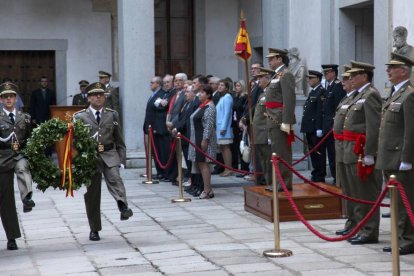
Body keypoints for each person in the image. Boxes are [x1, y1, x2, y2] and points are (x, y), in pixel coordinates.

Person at [74, 82, 133, 241]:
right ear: (89, 97)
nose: (98, 97)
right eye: (94, 95)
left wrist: (122, 159)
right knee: (92, 194)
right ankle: (94, 229)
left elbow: (119, 139)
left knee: (115, 179)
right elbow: (75, 142)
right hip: (90, 156)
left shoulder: (112, 114)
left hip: (109, 153)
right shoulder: (80, 116)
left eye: (101, 94)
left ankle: (123, 206)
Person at [376, 53, 414, 255]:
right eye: (388, 67)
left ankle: (407, 240)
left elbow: (410, 130)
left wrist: (407, 159)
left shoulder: (409, 95)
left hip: (400, 159)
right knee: (395, 202)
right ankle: (398, 237)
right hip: (389, 157)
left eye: (392, 67)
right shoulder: (394, 93)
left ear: (404, 71)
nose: (388, 70)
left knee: (404, 201)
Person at [343, 61, 382, 245]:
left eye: (354, 75)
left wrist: (370, 153)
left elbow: (373, 127)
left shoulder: (370, 95)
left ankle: (369, 230)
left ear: (364, 76)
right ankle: (360, 226)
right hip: (351, 150)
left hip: (362, 151)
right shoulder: (360, 95)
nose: (350, 78)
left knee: (367, 193)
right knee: (357, 192)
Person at [0, 82, 33, 250]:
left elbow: (30, 138)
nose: (8, 99)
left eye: (11, 96)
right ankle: (11, 238)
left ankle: (27, 198)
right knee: (6, 200)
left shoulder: (24, 117)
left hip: (19, 154)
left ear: (15, 98)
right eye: (5, 97)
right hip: (2, 158)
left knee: (23, 168)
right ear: (1, 99)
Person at [265, 48, 296, 191]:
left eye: (271, 59)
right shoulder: (276, 75)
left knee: (282, 152)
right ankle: (277, 181)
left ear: (279, 59)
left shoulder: (286, 75)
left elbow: (289, 100)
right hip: (272, 118)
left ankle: (284, 183)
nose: (269, 61)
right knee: (275, 152)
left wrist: (286, 121)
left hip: (279, 119)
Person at [333, 65, 358, 236]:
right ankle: (351, 222)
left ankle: (364, 226)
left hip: (353, 149)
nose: (343, 82)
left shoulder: (366, 97)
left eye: (347, 79)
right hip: (342, 149)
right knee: (347, 189)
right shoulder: (347, 98)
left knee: (357, 190)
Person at [188, 84, 217, 199]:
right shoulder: (202, 105)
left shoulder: (210, 107)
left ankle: (207, 190)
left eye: (202, 92)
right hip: (197, 137)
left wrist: (205, 140)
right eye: (199, 92)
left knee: (204, 164)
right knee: (200, 164)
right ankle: (208, 189)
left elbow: (209, 126)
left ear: (208, 95)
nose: (200, 94)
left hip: (203, 139)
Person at [320, 64, 346, 184]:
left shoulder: (337, 86)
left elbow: (338, 107)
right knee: (330, 155)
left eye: (328, 72)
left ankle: (338, 178)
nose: (325, 75)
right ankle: (336, 178)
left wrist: (334, 124)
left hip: (332, 126)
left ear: (334, 73)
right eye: (325, 73)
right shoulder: (329, 86)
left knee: (334, 154)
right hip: (327, 126)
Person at [300, 70, 325, 182]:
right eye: (308, 78)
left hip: (315, 128)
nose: (309, 80)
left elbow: (320, 111)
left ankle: (320, 174)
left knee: (318, 153)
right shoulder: (313, 92)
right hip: (310, 127)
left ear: (318, 79)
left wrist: (319, 128)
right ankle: (315, 172)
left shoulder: (321, 92)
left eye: (311, 78)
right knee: (312, 152)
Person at [252, 71, 273, 185]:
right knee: (263, 161)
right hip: (259, 133)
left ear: (267, 78)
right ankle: (267, 182)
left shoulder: (270, 94)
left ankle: (270, 183)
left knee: (268, 161)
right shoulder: (262, 94)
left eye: (261, 78)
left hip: (265, 133)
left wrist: (270, 134)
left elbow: (271, 115)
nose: (258, 81)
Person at [216, 79, 234, 177]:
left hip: (224, 128)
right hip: (219, 126)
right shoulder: (221, 97)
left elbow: (227, 114)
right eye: (219, 85)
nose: (219, 86)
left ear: (227, 88)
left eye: (222, 85)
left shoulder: (227, 97)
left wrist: (223, 127)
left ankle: (229, 168)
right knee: (223, 148)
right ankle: (226, 168)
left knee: (226, 148)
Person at [231, 80, 248, 172]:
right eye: (236, 86)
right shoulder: (236, 96)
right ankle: (237, 167)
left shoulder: (244, 97)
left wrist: (242, 121)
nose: (236, 87)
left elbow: (244, 110)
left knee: (243, 146)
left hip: (241, 123)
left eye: (238, 86)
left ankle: (244, 168)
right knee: (237, 146)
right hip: (235, 123)